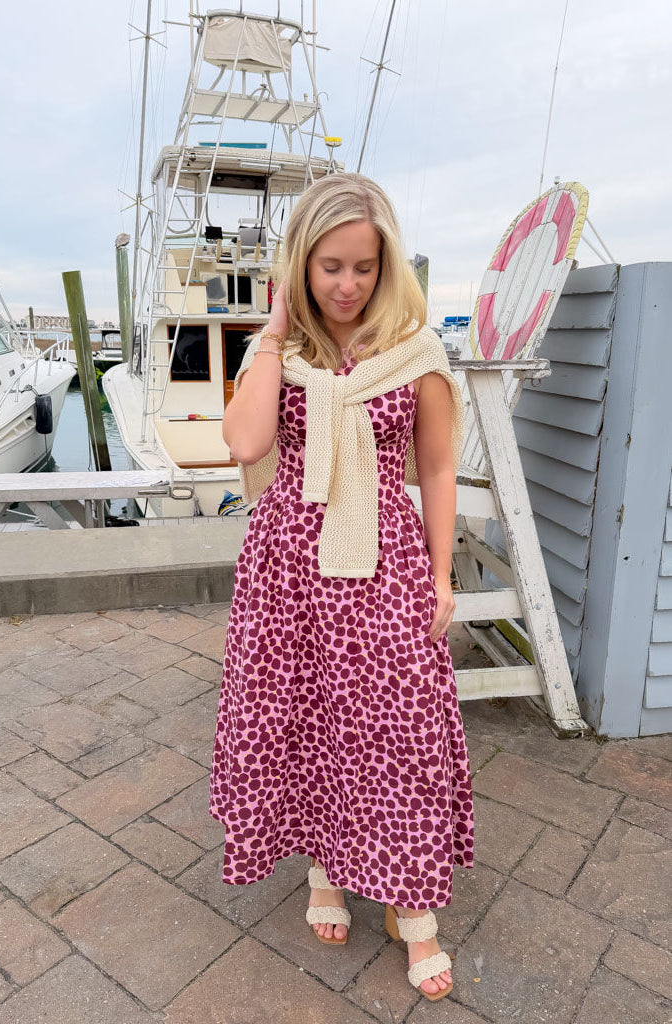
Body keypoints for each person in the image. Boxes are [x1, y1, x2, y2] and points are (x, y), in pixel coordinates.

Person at [209, 172, 474, 1003]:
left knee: (397, 731)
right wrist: (275, 326)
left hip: (383, 563)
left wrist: (439, 573)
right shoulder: (282, 355)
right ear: (300, 264)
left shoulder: (413, 349)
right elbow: (246, 440)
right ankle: (326, 870)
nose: (347, 284)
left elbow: (434, 465)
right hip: (289, 568)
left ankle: (414, 908)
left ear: (386, 264)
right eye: (328, 266)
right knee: (311, 723)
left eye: (362, 266)